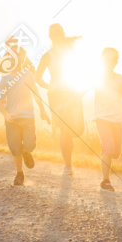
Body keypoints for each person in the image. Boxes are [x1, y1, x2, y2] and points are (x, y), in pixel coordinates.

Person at [0, 38, 50, 186]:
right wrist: (5, 114)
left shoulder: (28, 75)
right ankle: (19, 174)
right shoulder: (5, 79)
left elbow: (36, 94)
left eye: (21, 56)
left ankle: (27, 151)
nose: (18, 58)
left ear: (23, 58)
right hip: (11, 119)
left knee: (30, 145)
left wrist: (43, 110)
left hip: (27, 118)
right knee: (14, 149)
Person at [35, 23, 84, 175]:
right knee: (66, 130)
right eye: (54, 34)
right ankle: (68, 165)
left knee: (78, 129)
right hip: (56, 95)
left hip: (72, 92)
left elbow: (80, 70)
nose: (58, 36)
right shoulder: (47, 56)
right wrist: (49, 87)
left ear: (63, 34)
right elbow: (37, 77)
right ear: (50, 37)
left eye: (60, 33)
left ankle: (59, 131)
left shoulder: (72, 52)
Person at [94, 47, 122, 191]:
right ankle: (105, 181)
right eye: (107, 59)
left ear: (116, 62)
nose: (110, 62)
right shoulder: (96, 78)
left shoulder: (121, 80)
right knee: (108, 148)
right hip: (101, 118)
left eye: (113, 60)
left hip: (117, 119)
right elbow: (79, 92)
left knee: (116, 153)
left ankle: (105, 152)